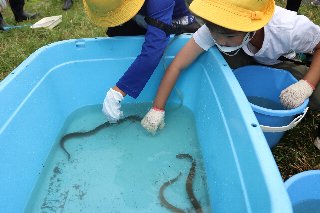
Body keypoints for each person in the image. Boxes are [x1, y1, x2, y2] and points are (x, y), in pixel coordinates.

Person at [141, 0, 320, 134]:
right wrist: (157, 108)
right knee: (213, 53)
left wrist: (307, 84)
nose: (220, 40)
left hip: (280, 63)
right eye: (214, 33)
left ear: (252, 28)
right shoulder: (218, 27)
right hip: (242, 57)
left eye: (228, 36)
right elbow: (177, 65)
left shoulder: (289, 28)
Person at [83, 0, 200, 122]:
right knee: (117, 33)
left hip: (172, 22)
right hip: (140, 16)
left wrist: (118, 91)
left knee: (157, 46)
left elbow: (154, 50)